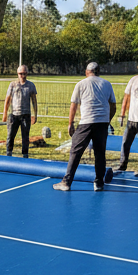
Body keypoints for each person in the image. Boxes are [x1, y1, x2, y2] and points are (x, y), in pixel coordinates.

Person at [53, 62, 116, 192]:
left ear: (87, 72)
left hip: (86, 122)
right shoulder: (107, 84)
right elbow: (113, 106)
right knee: (100, 153)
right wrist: (107, 120)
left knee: (75, 152)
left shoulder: (81, 84)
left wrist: (70, 124)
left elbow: (74, 105)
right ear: (98, 71)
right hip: (102, 123)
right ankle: (99, 183)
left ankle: (66, 182)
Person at [2, 66, 38, 157]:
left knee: (25, 137)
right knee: (10, 136)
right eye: (20, 73)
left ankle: (25, 155)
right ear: (17, 74)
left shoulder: (31, 85)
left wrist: (35, 114)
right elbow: (8, 99)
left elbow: (34, 101)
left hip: (26, 115)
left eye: (24, 73)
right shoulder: (13, 85)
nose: (22, 75)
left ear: (27, 73)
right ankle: (8, 153)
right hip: (14, 114)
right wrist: (5, 113)